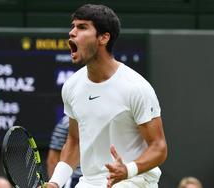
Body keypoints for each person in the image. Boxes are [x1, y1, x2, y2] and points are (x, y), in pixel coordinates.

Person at [44, 4, 167, 188]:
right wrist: (55, 183)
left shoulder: (136, 87)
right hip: (90, 182)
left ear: (103, 37)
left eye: (82, 27)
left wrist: (128, 169)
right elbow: (74, 141)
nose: (72, 32)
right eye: (73, 26)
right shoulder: (71, 86)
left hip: (134, 181)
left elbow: (159, 147)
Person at [47, 115, 82, 188]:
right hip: (74, 181)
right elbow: (53, 160)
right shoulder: (65, 123)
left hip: (107, 178)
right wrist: (54, 183)